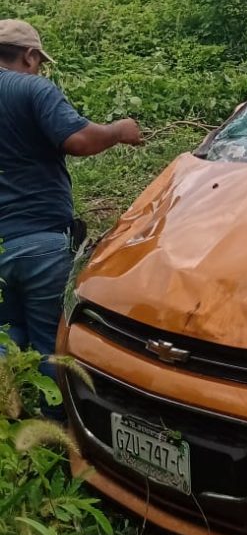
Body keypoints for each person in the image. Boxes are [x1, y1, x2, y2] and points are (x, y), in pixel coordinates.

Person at [0, 19, 142, 379]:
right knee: (51, 345)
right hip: (40, 244)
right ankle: (52, 426)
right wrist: (119, 130)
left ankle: (12, 420)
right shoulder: (31, 89)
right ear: (30, 56)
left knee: (7, 338)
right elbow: (80, 140)